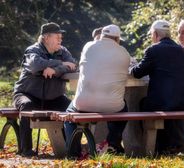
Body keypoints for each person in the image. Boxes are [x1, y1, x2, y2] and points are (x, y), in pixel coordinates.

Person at [130, 20, 184, 155]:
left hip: (167, 102)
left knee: (144, 103)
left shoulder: (153, 50)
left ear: (155, 34)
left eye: (151, 35)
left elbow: (137, 73)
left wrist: (130, 68)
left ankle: (154, 146)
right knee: (169, 101)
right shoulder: (180, 50)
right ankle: (178, 143)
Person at [64, 24, 131, 157]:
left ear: (102, 36)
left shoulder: (88, 46)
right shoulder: (124, 53)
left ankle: (73, 151)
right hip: (112, 106)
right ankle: (113, 144)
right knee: (123, 107)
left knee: (69, 115)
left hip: (84, 104)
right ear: (117, 39)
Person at [13, 22, 77, 157]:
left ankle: (72, 149)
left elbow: (72, 66)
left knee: (72, 108)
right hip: (27, 94)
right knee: (27, 105)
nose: (61, 39)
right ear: (46, 38)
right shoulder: (33, 50)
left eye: (61, 37)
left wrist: (54, 70)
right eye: (57, 36)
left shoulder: (63, 51)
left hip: (53, 97)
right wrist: (60, 63)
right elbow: (36, 65)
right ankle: (26, 150)